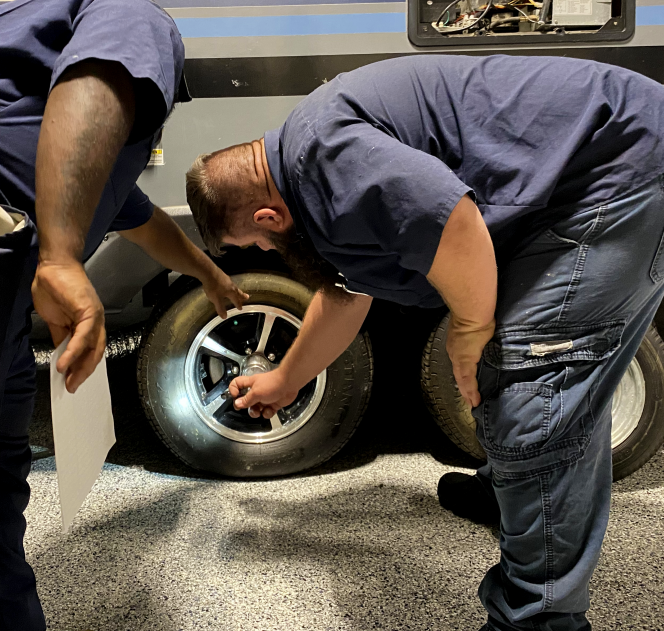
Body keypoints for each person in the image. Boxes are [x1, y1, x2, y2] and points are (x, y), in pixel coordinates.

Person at [185, 54, 664, 631]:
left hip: (618, 170)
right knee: (509, 358)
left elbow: (453, 218)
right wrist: (285, 379)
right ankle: (510, 498)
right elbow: (346, 295)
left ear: (267, 214)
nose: (265, 254)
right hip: (593, 172)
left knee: (535, 386)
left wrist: (470, 327)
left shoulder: (326, 160)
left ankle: (541, 618)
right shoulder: (307, 171)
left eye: (256, 245)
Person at [0, 0, 246, 631]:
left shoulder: (56, 139)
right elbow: (104, 74)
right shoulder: (137, 19)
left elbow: (139, 216)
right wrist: (63, 257)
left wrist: (208, 274)